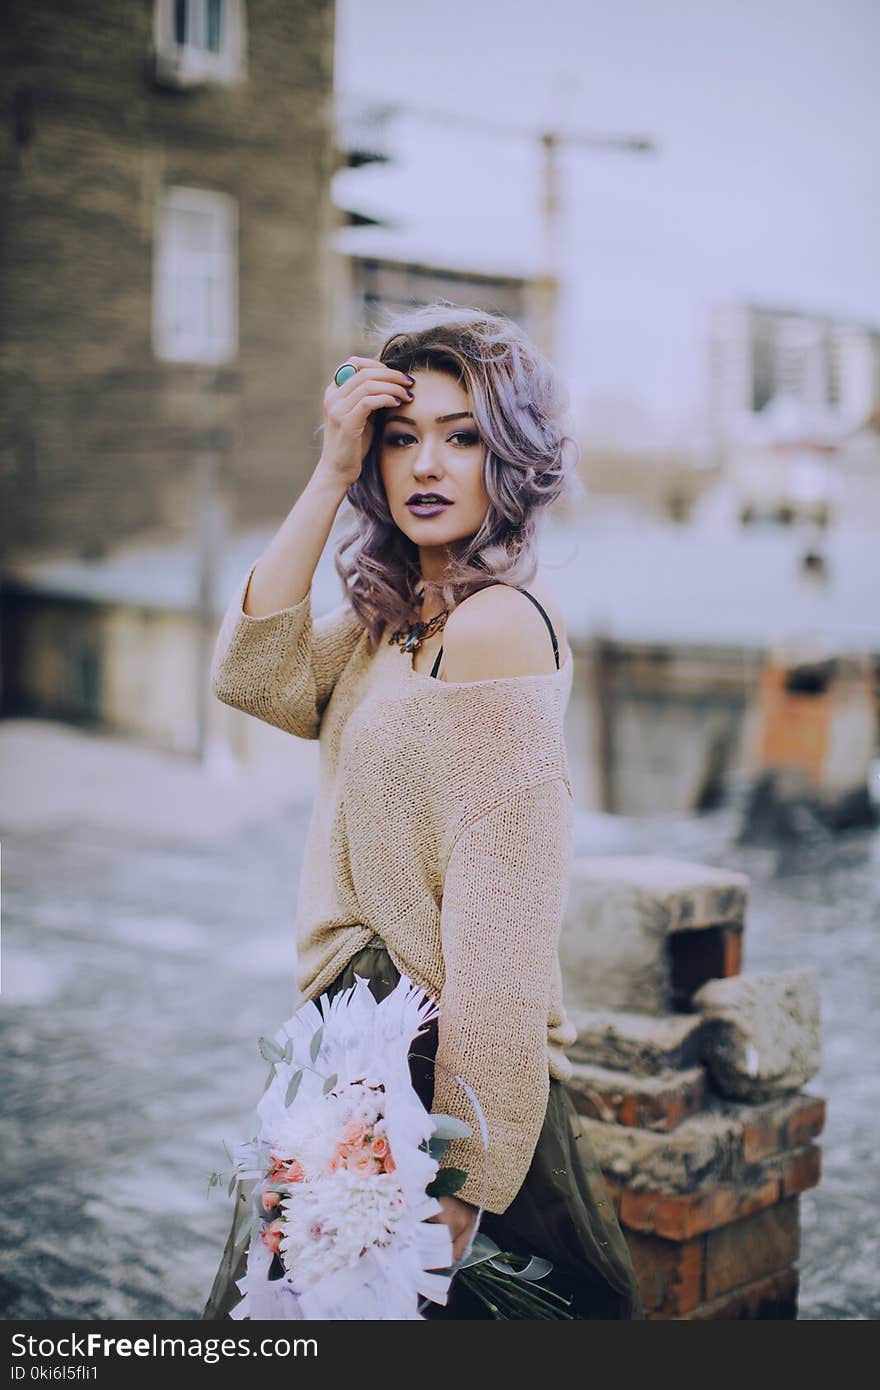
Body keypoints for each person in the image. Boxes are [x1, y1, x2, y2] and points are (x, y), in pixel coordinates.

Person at [202, 303, 644, 1320]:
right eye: (401, 438)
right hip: (350, 1044)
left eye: (463, 436)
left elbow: (505, 937)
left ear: (513, 459)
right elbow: (250, 674)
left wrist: (460, 1185)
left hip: (427, 1076)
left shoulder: (495, 631)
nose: (426, 465)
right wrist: (325, 472)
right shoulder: (396, 619)